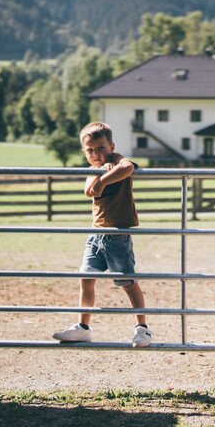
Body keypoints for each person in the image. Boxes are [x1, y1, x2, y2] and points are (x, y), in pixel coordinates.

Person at [53, 122, 151, 347]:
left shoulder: (117, 160)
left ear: (111, 146)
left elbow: (128, 168)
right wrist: (98, 177)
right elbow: (89, 189)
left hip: (117, 234)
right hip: (95, 234)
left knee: (127, 282)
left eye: (101, 148)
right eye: (90, 150)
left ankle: (142, 328)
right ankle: (83, 327)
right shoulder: (93, 169)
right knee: (86, 278)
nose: (96, 154)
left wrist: (105, 178)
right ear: (83, 151)